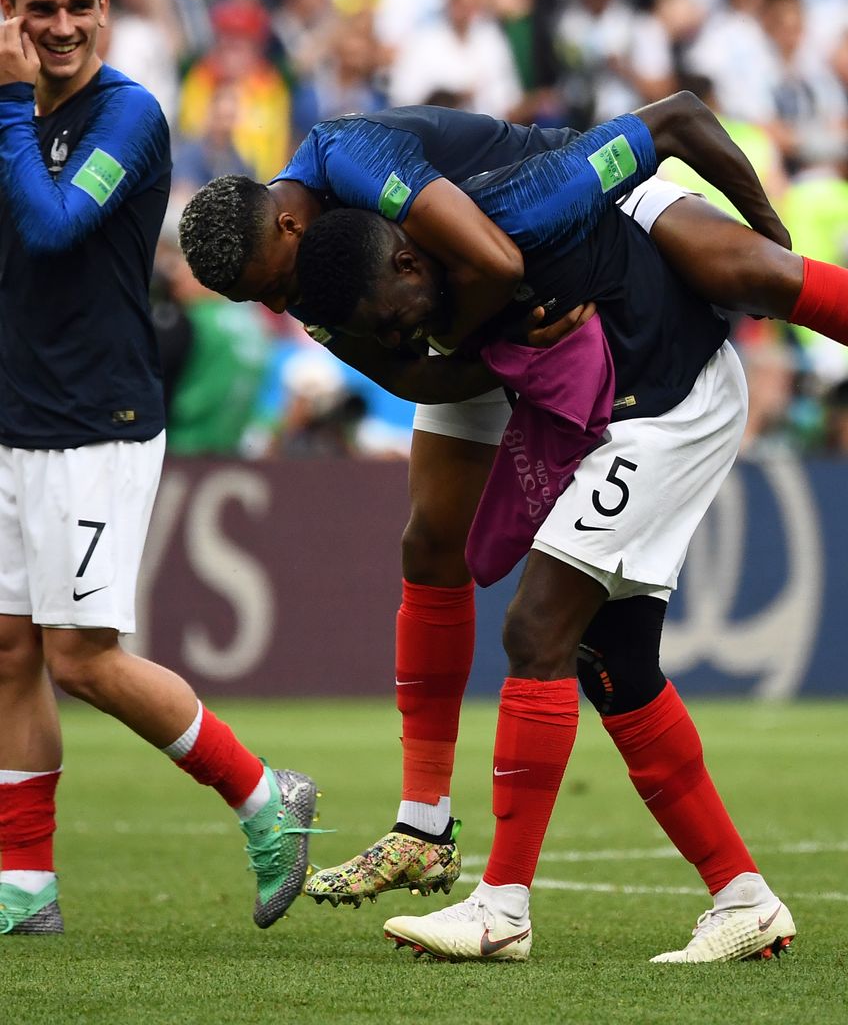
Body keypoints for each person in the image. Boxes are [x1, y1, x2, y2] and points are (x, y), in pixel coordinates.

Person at [177, 97, 848, 931]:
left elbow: (657, 134)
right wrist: (489, 348)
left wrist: (774, 233)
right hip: (493, 335)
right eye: (260, 299)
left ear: (294, 220)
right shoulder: (328, 284)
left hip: (594, 260)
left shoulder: (375, 167)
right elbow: (410, 365)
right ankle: (460, 833)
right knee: (498, 586)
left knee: (745, 272)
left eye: (273, 281)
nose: (278, 304)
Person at [295, 190, 794, 963]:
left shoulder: (501, 202)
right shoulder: (444, 234)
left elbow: (676, 119)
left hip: (666, 407)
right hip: (639, 407)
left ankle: (501, 909)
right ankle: (743, 897)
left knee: (537, 630)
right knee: (615, 663)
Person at [0, 0, 318, 938]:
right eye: (37, 9)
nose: (58, 27)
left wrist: (10, 106)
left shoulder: (129, 114)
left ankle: (266, 798)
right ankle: (24, 882)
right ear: (8, 13)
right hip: (13, 416)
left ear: (104, 7)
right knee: (8, 649)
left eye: (76, 7)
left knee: (83, 659)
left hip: (100, 421)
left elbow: (53, 226)